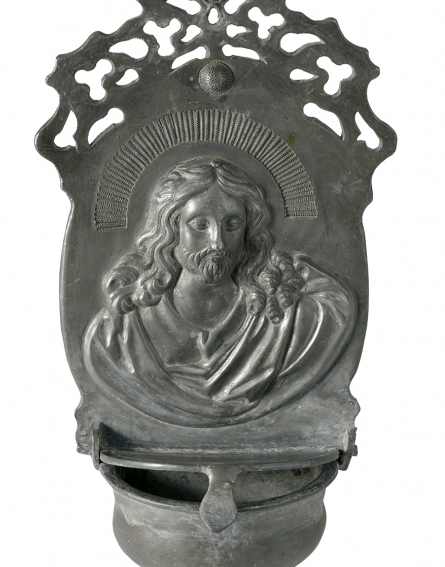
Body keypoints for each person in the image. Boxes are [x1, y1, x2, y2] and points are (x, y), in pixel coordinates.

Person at [84, 157, 356, 426]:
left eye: (232, 225)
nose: (218, 243)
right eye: (200, 225)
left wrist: (287, 270)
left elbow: (339, 305)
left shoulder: (289, 322)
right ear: (170, 230)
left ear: (248, 233)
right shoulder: (117, 336)